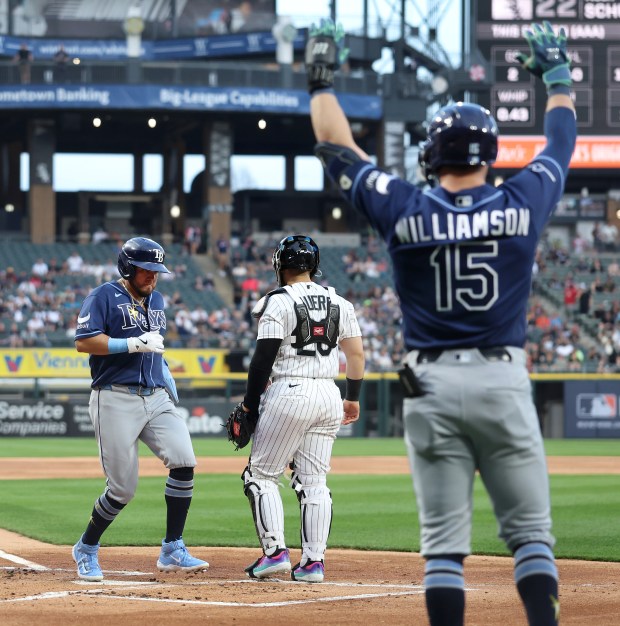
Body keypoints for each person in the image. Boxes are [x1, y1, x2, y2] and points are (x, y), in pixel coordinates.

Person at [305, 19, 575, 626]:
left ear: (431, 152)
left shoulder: (403, 204)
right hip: (502, 377)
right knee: (531, 538)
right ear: (491, 152)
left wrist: (320, 78)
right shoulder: (522, 199)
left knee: (444, 552)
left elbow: (335, 145)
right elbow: (561, 141)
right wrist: (556, 75)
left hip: (424, 384)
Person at [71, 236, 208, 581]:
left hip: (155, 395)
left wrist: (163, 372)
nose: (154, 277)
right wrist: (130, 343)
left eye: (157, 271)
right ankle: (86, 547)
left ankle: (172, 547)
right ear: (128, 268)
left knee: (184, 459)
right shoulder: (103, 295)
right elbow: (84, 341)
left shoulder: (157, 299)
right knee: (122, 489)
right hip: (114, 396)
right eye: (147, 270)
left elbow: (154, 346)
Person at [237, 234, 365, 582]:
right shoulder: (340, 302)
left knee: (260, 475)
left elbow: (262, 359)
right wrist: (351, 398)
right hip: (329, 395)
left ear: (280, 265)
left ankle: (275, 552)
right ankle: (313, 563)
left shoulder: (277, 301)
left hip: (290, 389)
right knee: (314, 481)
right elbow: (355, 354)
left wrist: (250, 406)